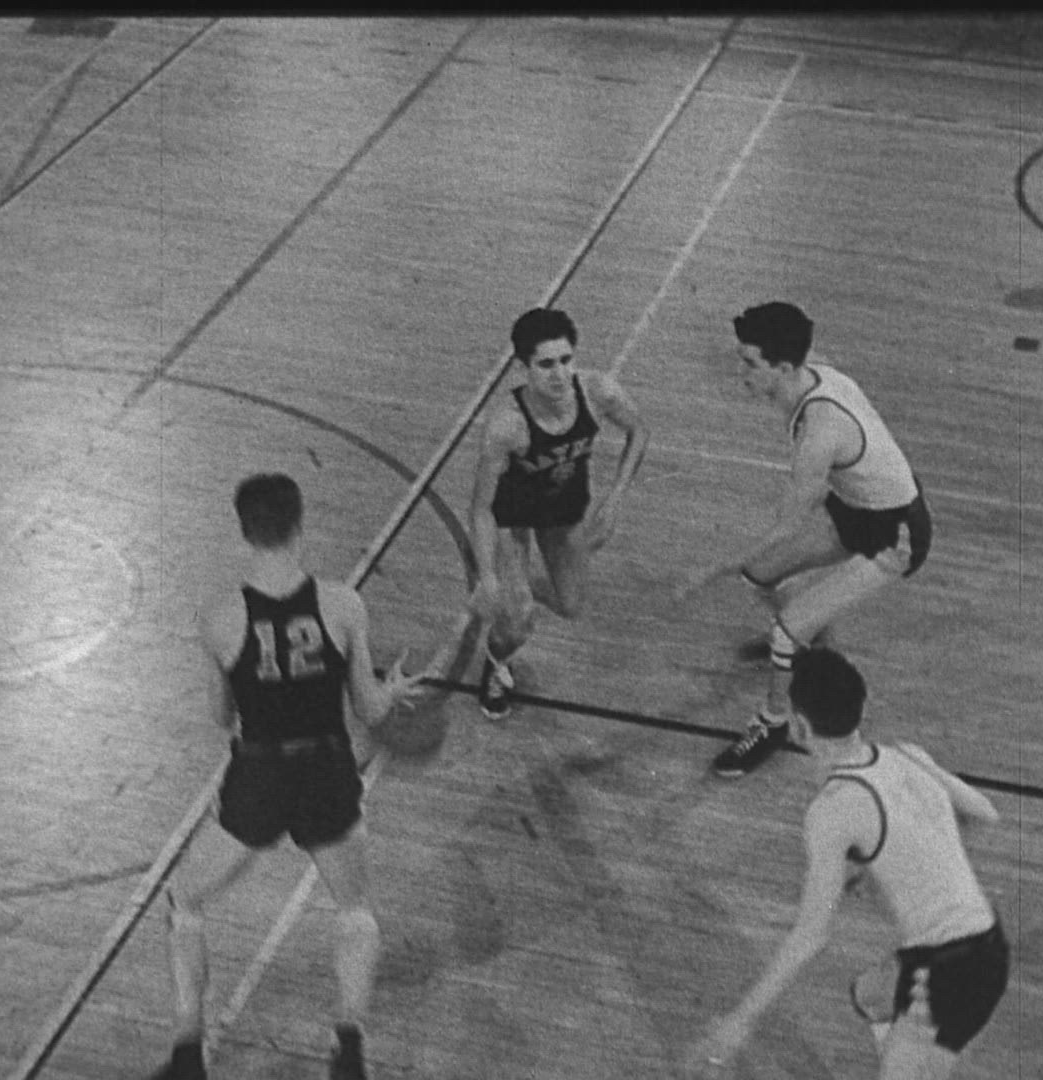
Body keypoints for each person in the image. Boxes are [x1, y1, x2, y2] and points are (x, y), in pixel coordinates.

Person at [153, 473, 425, 1080]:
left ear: (244, 533)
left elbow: (221, 716)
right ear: (301, 527)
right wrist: (391, 690)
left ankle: (187, 1054)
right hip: (326, 767)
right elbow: (370, 710)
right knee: (354, 909)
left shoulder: (219, 617)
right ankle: (348, 1049)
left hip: (260, 772)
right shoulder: (343, 605)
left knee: (185, 902)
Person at [685, 647, 1008, 1079]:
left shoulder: (833, 809)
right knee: (871, 996)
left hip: (946, 974)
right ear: (861, 709)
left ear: (799, 726)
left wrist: (738, 1022)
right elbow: (985, 814)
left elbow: (811, 936)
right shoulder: (908, 755)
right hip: (984, 944)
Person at [675, 301, 932, 777]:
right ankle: (808, 644)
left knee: (786, 628)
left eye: (750, 363)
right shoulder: (809, 371)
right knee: (761, 576)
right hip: (857, 507)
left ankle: (773, 722)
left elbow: (785, 528)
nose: (740, 373)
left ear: (784, 367)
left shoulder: (819, 434)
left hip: (893, 536)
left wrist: (710, 571)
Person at [466, 307, 650, 719]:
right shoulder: (506, 426)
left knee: (571, 605)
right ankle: (496, 662)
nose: (559, 374)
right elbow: (481, 509)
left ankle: (520, 586)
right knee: (518, 621)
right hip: (512, 517)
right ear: (523, 367)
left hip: (563, 511)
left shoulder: (598, 393)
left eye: (566, 360)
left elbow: (639, 431)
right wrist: (489, 575)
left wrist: (615, 497)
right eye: (546, 364)